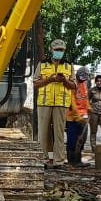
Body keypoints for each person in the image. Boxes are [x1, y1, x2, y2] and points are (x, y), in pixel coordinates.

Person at [34, 39, 76, 167]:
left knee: (59, 134)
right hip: (44, 102)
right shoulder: (42, 64)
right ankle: (44, 160)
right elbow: (35, 83)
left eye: (61, 50)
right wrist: (50, 79)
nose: (59, 52)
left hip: (61, 103)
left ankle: (59, 161)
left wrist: (64, 80)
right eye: (57, 50)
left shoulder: (69, 66)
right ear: (51, 50)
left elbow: (73, 85)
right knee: (43, 133)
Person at [65, 67, 91, 167]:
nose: (83, 79)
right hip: (73, 118)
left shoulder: (84, 84)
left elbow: (85, 99)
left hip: (83, 116)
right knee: (73, 140)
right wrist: (77, 117)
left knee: (82, 139)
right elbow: (72, 104)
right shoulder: (73, 85)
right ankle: (72, 160)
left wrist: (89, 109)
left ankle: (78, 159)